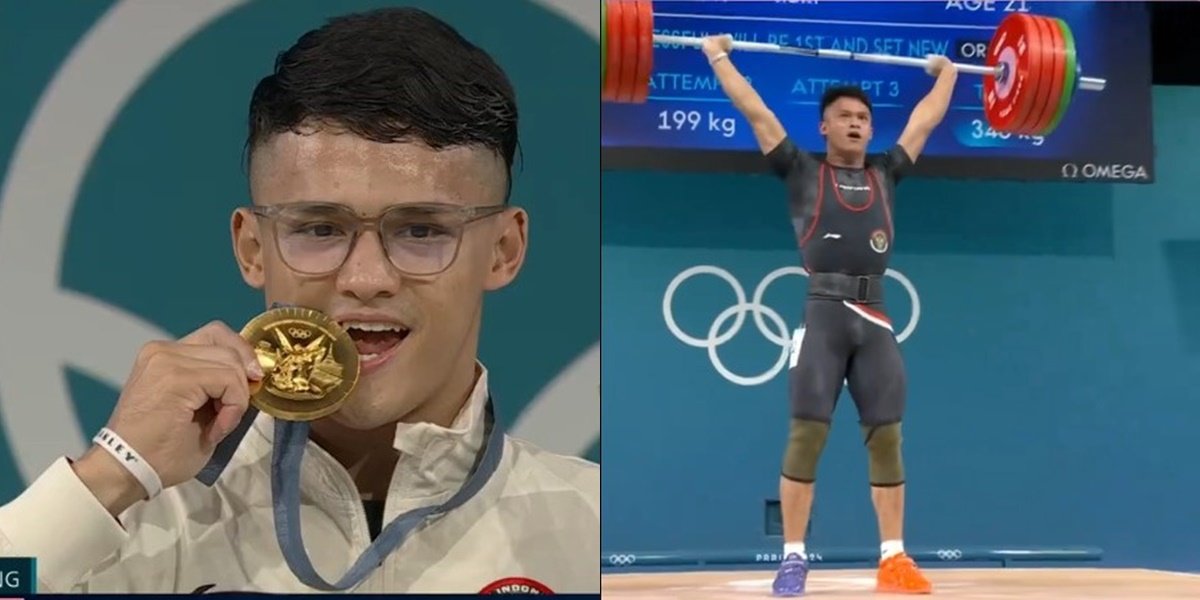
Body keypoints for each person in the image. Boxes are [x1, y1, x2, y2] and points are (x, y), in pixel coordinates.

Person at [0, 7, 598, 594]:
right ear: (252, 246)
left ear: (504, 249)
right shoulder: (129, 528)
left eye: (422, 230)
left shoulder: (595, 526)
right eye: (319, 228)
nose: (367, 278)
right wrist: (110, 476)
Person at [701, 34, 957, 596]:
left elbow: (925, 120)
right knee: (806, 436)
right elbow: (754, 109)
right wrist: (717, 55)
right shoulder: (799, 170)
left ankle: (894, 558)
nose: (856, 124)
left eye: (864, 117)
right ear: (824, 126)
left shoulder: (887, 171)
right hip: (822, 314)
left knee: (887, 438)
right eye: (844, 116)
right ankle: (793, 558)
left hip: (878, 318)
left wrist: (948, 74)